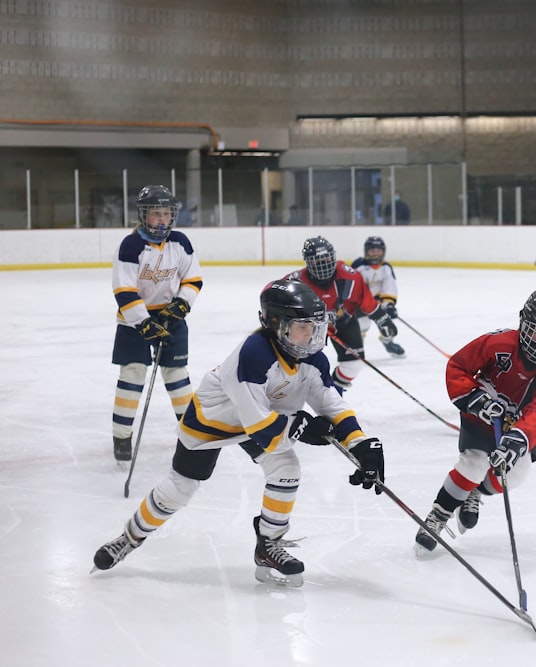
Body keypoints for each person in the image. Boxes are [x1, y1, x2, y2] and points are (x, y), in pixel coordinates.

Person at [92, 279, 387, 587]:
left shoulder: (313, 359)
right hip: (213, 421)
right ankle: (129, 537)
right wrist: (301, 427)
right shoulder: (254, 355)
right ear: (277, 325)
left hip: (262, 418)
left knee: (286, 468)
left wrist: (360, 444)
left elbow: (332, 404)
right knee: (180, 489)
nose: (312, 335)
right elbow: (260, 426)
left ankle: (268, 545)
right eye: (303, 327)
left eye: (315, 326)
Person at [413, 288, 536, 556]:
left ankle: (475, 492)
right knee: (474, 464)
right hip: (481, 418)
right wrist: (475, 399)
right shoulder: (498, 344)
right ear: (525, 325)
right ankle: (438, 516)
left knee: (516, 474)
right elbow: (458, 367)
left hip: (516, 429)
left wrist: (517, 439)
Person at [111, 185, 202, 467]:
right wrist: (144, 323)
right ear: (143, 215)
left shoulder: (180, 242)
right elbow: (124, 290)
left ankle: (191, 435)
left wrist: (181, 305)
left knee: (177, 375)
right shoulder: (131, 245)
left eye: (166, 214)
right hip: (133, 322)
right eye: (155, 214)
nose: (162, 220)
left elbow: (193, 279)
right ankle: (121, 436)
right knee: (133, 374)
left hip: (171, 319)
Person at [284, 236, 397, 390]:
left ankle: (333, 394)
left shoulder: (350, 276)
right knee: (298, 369)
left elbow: (366, 300)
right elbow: (273, 299)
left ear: (333, 257)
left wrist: (382, 318)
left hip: (344, 322)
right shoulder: (295, 282)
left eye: (326, 258)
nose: (322, 264)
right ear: (308, 262)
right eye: (316, 260)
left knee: (353, 366)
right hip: (309, 329)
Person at [351, 236, 405, 358]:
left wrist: (389, 304)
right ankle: (357, 347)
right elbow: (353, 286)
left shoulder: (386, 267)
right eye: (372, 251)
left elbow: (389, 286)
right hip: (361, 304)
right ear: (366, 251)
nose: (375, 254)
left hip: (378, 304)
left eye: (378, 251)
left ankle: (388, 342)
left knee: (387, 325)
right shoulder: (358, 266)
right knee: (363, 324)